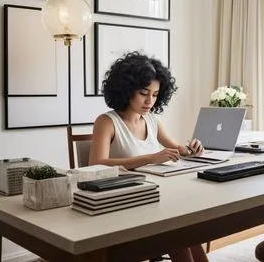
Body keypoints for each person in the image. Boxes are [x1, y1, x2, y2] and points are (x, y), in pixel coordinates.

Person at [89, 51, 208, 262]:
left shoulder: (152, 121)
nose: (150, 100)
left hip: (155, 197)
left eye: (155, 94)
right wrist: (152, 158)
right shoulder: (107, 122)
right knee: (179, 230)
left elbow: (179, 149)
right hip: (126, 204)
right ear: (126, 89)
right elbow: (96, 164)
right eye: (144, 93)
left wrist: (193, 147)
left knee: (187, 229)